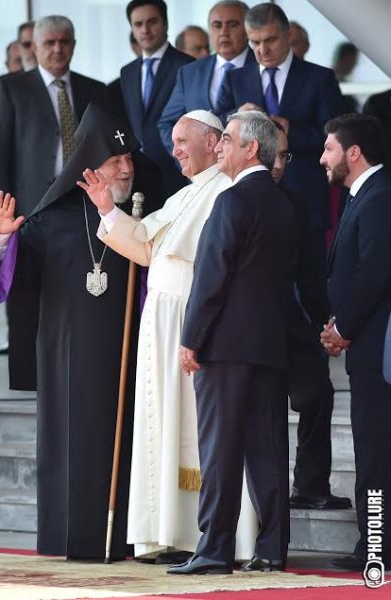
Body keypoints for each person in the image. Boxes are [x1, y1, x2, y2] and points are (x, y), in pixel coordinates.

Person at [0, 103, 162, 559]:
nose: (126, 169)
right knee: (70, 443)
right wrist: (0, 240)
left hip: (129, 353)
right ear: (89, 167)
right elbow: (11, 288)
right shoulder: (50, 218)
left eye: (129, 160)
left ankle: (127, 537)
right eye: (115, 161)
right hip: (66, 355)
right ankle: (68, 535)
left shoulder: (142, 215)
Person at [80, 110, 257, 564]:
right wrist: (106, 208)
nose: (173, 149)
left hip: (191, 320)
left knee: (195, 434)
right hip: (160, 321)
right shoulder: (184, 196)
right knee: (163, 426)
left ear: (213, 142)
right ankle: (167, 532)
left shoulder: (227, 191)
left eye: (182, 141)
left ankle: (209, 537)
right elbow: (142, 244)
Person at [168, 111, 297, 575]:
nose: (219, 147)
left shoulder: (231, 200)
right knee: (267, 451)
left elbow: (211, 279)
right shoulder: (283, 204)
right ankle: (272, 549)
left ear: (252, 149)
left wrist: (191, 338)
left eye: (227, 140)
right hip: (269, 346)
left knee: (220, 450)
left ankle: (215, 549)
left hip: (224, 348)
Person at [0, 15, 106, 385]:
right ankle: (25, 375)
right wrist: (3, 212)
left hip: (82, 206)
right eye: (49, 43)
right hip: (28, 212)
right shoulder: (10, 89)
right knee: (26, 296)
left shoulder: (95, 90)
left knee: (80, 294)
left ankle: (77, 372)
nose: (57, 49)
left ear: (73, 45)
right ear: (34, 47)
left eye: (64, 42)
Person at [216, 2, 344, 282]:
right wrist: (237, 117)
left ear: (288, 34)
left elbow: (335, 135)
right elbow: (218, 125)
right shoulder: (235, 78)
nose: (262, 50)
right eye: (255, 42)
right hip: (251, 199)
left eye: (271, 40)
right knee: (259, 282)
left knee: (311, 282)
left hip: (305, 196)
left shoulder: (319, 78)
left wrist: (290, 129)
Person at [320, 113, 391, 571]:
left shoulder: (381, 196)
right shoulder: (364, 196)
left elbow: (375, 272)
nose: (322, 159)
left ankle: (376, 547)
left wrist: (343, 328)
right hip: (366, 341)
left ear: (353, 152)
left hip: (376, 345)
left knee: (376, 448)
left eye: (328, 149)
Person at [271, 121, 351, 510]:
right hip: (248, 328)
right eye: (277, 153)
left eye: (286, 155)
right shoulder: (223, 197)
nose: (281, 163)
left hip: (295, 323)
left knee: (318, 395)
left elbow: (310, 270)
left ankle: (309, 486)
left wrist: (325, 323)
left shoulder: (295, 202)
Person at [159, 1, 256, 155]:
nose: (224, 32)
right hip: (202, 175)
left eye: (232, 24)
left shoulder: (263, 66)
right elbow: (167, 124)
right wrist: (187, 158)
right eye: (217, 25)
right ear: (210, 30)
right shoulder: (189, 72)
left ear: (248, 30)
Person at [119, 0, 194, 198]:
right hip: (138, 176)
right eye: (138, 24)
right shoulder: (127, 72)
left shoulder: (187, 66)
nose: (145, 30)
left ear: (166, 23)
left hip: (177, 172)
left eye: (152, 22)